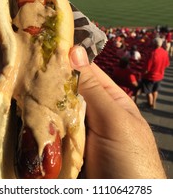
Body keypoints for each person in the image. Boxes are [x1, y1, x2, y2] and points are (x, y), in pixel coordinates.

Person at [69, 45, 166, 179]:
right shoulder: (133, 71)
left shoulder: (117, 69)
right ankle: (152, 103)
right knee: (153, 90)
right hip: (155, 77)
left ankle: (151, 102)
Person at [141, 37, 170, 109]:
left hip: (150, 77)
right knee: (155, 90)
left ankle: (150, 104)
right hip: (159, 76)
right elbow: (167, 64)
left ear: (154, 44)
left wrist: (142, 74)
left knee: (149, 91)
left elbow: (147, 69)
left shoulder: (152, 53)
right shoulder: (165, 52)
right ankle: (154, 103)